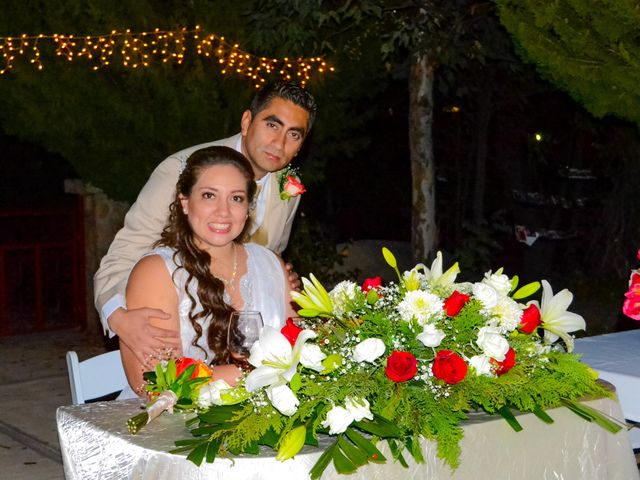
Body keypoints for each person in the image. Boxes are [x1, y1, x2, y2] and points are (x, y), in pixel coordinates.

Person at [94, 81, 316, 368]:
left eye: (293, 134)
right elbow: (121, 257)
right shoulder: (181, 170)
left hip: (247, 351)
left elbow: (265, 261)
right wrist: (118, 317)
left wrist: (281, 280)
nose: (279, 143)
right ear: (247, 121)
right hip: (183, 342)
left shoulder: (287, 190)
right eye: (272, 125)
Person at [121, 146, 297, 393]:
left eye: (236, 198)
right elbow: (153, 382)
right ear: (185, 202)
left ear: (248, 208)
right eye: (209, 196)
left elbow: (299, 346)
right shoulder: (157, 272)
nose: (223, 212)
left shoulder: (271, 264)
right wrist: (255, 374)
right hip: (176, 423)